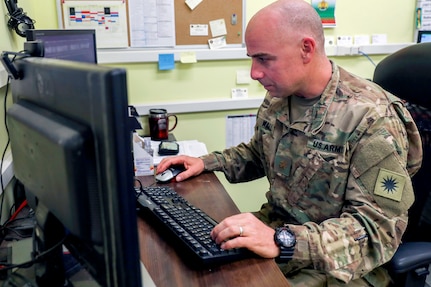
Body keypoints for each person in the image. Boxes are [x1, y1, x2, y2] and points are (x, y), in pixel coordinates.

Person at [156, 0, 423, 286]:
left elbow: (377, 231)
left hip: (340, 266)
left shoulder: (371, 118)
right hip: (278, 235)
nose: (254, 73)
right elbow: (259, 153)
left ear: (306, 49)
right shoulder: (280, 97)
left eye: (263, 59)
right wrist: (208, 162)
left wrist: (283, 241)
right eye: (252, 59)